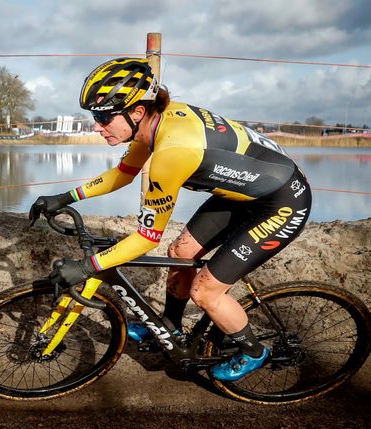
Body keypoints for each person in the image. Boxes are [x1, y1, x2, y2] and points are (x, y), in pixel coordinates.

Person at [29, 58, 312, 381]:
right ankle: (171, 326)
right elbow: (123, 174)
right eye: (95, 117)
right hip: (247, 193)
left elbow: (146, 238)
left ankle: (253, 351)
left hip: (282, 203)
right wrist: (65, 197)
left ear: (137, 112)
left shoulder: (171, 153)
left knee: (205, 292)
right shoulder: (153, 124)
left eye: (104, 117)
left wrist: (87, 267)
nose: (96, 126)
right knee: (180, 252)